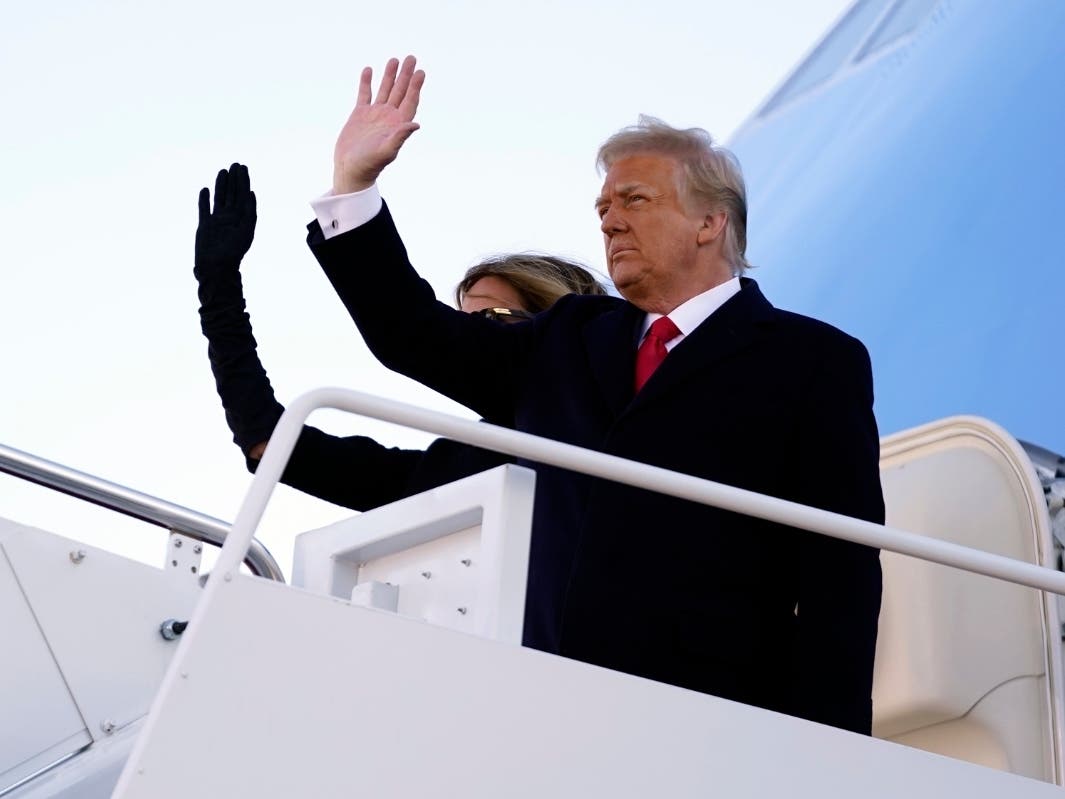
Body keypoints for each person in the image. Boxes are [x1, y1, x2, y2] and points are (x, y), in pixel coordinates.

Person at [305, 56, 883, 735]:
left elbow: (838, 572)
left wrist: (830, 747)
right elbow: (412, 335)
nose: (609, 222)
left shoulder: (812, 359)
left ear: (709, 223)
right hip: (539, 704)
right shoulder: (565, 337)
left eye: (634, 200)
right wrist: (353, 185)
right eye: (603, 207)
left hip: (710, 723)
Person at [193, 162, 605, 511]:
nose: (472, 334)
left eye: (491, 318)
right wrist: (218, 287)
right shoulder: (454, 468)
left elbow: (408, 325)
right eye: (464, 320)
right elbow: (269, 441)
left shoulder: (623, 410)